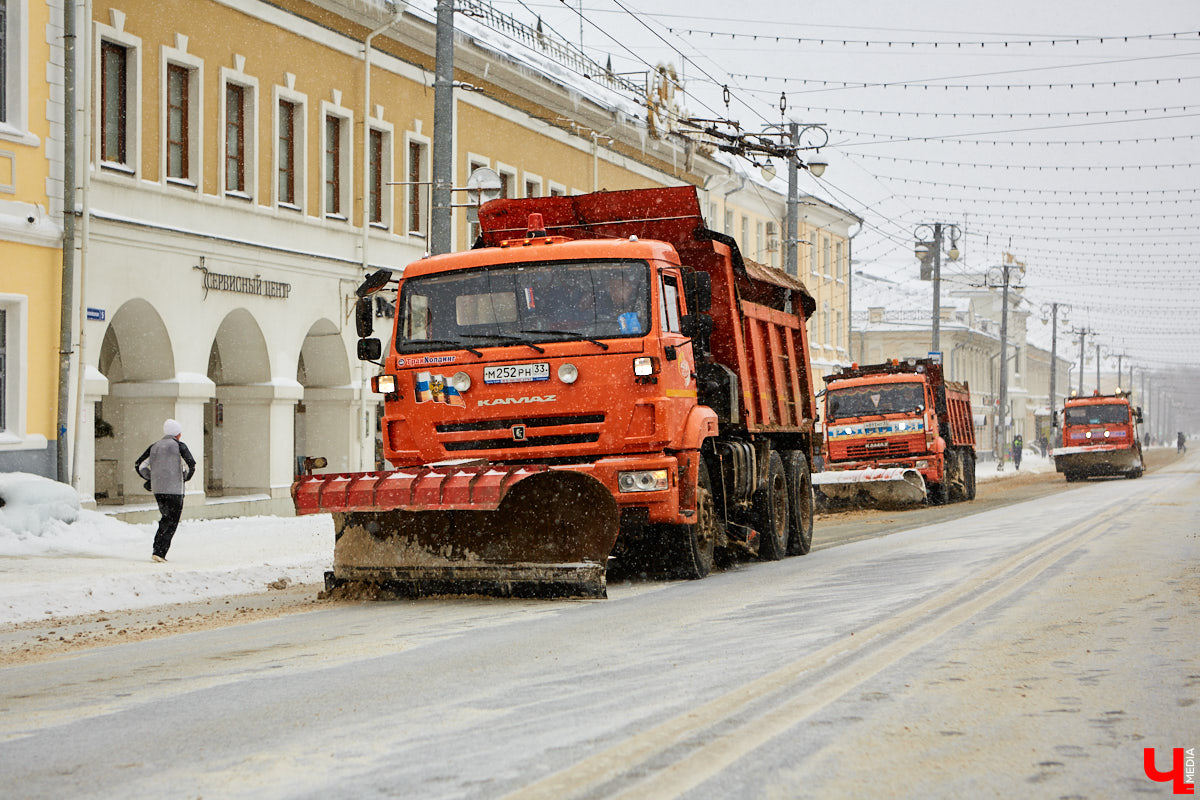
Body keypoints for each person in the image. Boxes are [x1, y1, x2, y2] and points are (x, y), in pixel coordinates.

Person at [134, 419, 196, 562]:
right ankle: (159, 551)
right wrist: (184, 477)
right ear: (178, 434)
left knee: (165, 517)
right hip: (175, 490)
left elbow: (140, 465)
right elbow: (190, 464)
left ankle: (158, 549)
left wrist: (152, 478)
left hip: (158, 489)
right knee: (172, 520)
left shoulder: (154, 446)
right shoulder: (179, 446)